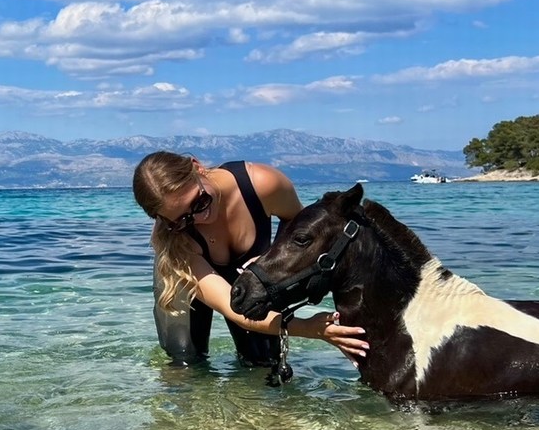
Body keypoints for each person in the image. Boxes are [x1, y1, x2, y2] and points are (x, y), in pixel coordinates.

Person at [131, 151, 369, 373]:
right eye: (183, 219)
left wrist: (273, 256)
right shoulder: (177, 240)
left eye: (200, 202)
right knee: (185, 364)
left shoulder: (263, 184)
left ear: (198, 168)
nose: (200, 218)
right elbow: (232, 309)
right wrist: (310, 329)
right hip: (181, 282)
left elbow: (301, 229)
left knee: (263, 364)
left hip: (247, 274)